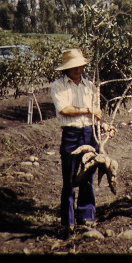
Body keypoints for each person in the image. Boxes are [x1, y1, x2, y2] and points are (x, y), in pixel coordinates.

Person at [50, 48, 103, 238]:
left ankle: (86, 217)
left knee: (87, 176)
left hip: (89, 132)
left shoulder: (90, 86)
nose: (78, 70)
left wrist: (102, 124)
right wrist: (88, 110)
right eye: (74, 67)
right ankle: (68, 223)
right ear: (66, 68)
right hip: (71, 134)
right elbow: (64, 109)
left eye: (80, 66)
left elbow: (97, 112)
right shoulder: (58, 86)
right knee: (70, 180)